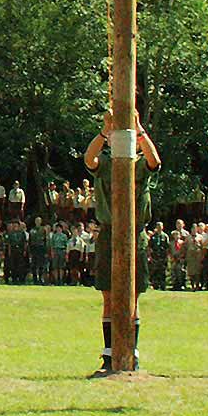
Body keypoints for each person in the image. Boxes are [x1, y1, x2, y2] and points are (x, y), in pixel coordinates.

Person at [83, 114, 161, 375]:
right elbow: (88, 159)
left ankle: (132, 352)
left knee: (132, 297)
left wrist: (139, 131)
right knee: (108, 296)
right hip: (109, 232)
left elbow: (154, 161)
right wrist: (104, 132)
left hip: (134, 233)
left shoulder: (139, 166)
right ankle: (108, 353)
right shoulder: (106, 163)